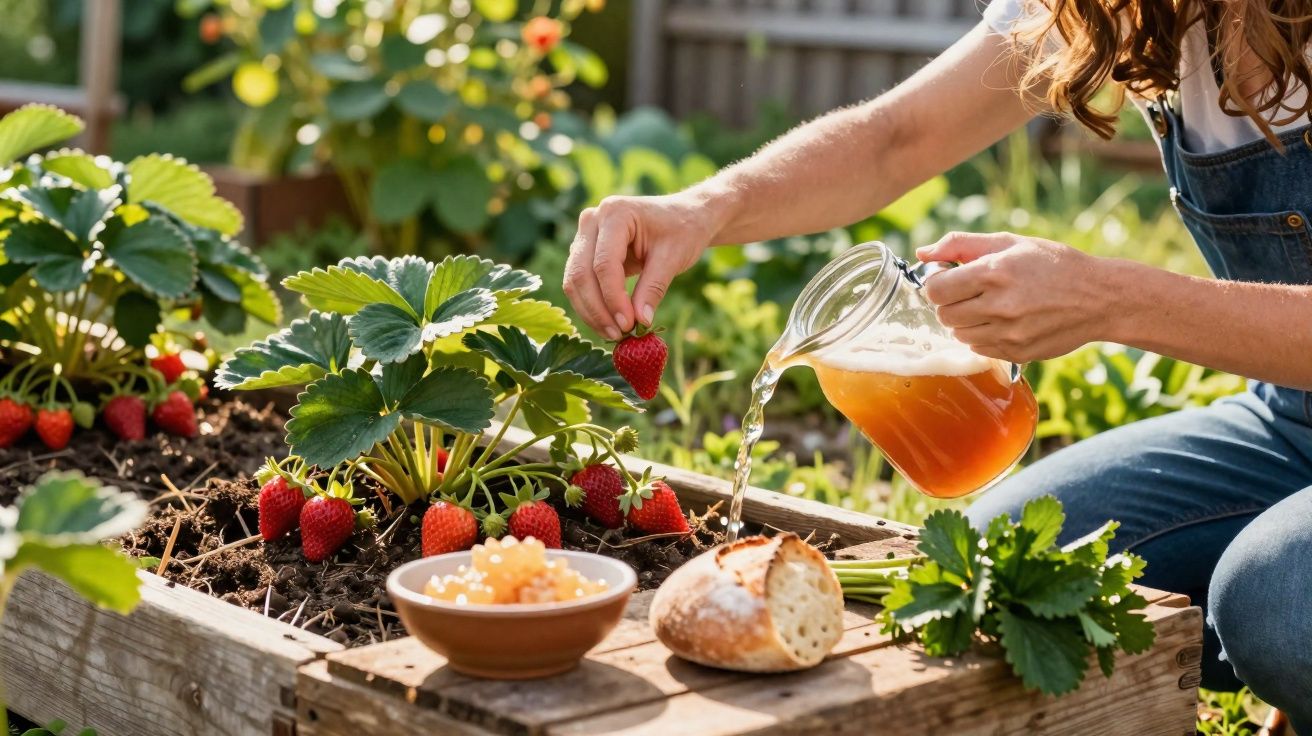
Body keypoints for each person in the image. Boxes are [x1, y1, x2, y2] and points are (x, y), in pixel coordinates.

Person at [561, 0, 1312, 725]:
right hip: (1289, 426)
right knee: (988, 576)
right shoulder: (1125, 8)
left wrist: (1111, 297)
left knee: (1272, 603)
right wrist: (706, 207)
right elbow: (899, 136)